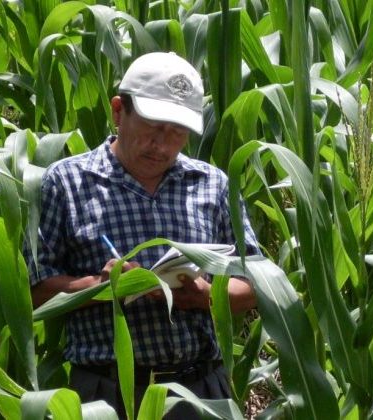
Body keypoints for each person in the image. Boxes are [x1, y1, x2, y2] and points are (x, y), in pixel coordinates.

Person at [27, 52, 260, 418]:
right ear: (119, 111)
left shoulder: (212, 185)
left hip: (199, 392)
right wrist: (102, 287)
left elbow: (254, 286)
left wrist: (203, 297)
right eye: (154, 127)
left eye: (178, 132)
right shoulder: (66, 182)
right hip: (104, 398)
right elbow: (35, 294)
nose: (163, 145)